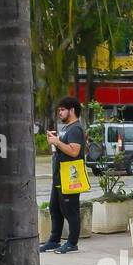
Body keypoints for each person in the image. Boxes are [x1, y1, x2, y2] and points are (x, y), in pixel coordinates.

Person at [39, 96, 86, 254]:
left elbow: (74, 151)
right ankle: (54, 240)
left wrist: (57, 142)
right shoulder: (67, 128)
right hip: (59, 175)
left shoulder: (76, 129)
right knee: (55, 208)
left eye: (63, 110)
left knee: (70, 209)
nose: (60, 113)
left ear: (72, 110)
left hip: (70, 176)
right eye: (59, 110)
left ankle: (72, 243)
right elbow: (62, 148)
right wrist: (53, 141)